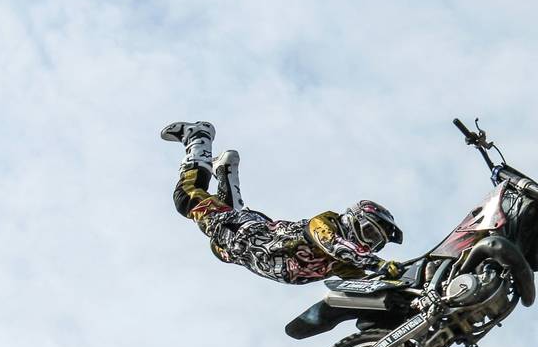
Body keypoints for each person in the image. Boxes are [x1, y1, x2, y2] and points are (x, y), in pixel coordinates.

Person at [165, 121, 403, 284]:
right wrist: (379, 263)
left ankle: (226, 170)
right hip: (247, 232)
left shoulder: (339, 263)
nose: (368, 243)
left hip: (243, 243)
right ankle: (198, 136)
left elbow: (364, 284)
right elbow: (334, 243)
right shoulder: (325, 225)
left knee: (224, 232)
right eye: (369, 232)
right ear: (353, 218)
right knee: (186, 197)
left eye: (375, 243)